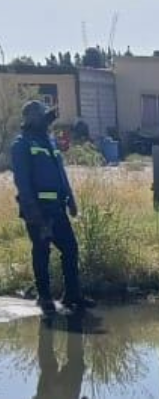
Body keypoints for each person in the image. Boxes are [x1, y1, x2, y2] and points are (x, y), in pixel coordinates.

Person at [10, 100, 94, 317]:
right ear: (31, 119)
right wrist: (32, 212)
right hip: (38, 212)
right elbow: (23, 182)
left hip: (58, 209)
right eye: (42, 116)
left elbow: (61, 173)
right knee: (42, 252)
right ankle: (45, 297)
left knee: (70, 249)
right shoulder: (21, 145)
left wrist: (71, 199)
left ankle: (72, 295)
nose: (47, 120)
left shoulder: (49, 141)